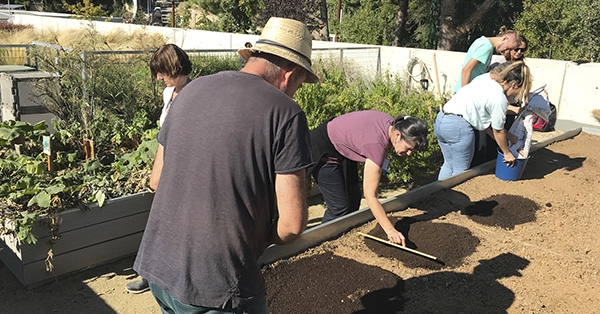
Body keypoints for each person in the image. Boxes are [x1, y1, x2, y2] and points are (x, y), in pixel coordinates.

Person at [133, 17, 318, 313]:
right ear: (290, 74)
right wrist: (265, 236)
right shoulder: (286, 113)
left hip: (158, 268)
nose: (296, 92)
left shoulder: (189, 92)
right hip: (217, 286)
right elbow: (292, 224)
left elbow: (156, 180)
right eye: (299, 84)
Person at [125, 43, 192, 294]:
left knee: (172, 223)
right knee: (161, 222)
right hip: (167, 165)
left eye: (161, 71)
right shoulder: (168, 94)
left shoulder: (193, 93)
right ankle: (151, 273)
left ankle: (156, 275)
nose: (158, 77)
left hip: (183, 170)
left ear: (173, 67)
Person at [309, 110, 428, 245]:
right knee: (338, 208)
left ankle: (343, 239)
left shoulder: (392, 124)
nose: (409, 153)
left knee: (353, 199)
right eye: (408, 148)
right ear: (398, 135)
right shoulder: (376, 146)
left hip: (341, 148)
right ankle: (319, 244)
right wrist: (390, 230)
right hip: (323, 148)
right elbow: (370, 196)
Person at [435, 61, 533, 180]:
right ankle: (454, 198)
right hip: (459, 127)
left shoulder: (484, 79)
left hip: (442, 120)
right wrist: (507, 153)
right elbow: (498, 131)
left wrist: (508, 137)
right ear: (514, 84)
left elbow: (483, 123)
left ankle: (439, 195)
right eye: (518, 91)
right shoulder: (499, 98)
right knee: (460, 170)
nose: (514, 96)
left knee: (449, 164)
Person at [454, 28, 520, 93]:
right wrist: (465, 94)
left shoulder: (482, 40)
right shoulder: (487, 47)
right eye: (508, 47)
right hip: (466, 91)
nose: (506, 51)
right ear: (505, 38)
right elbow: (467, 69)